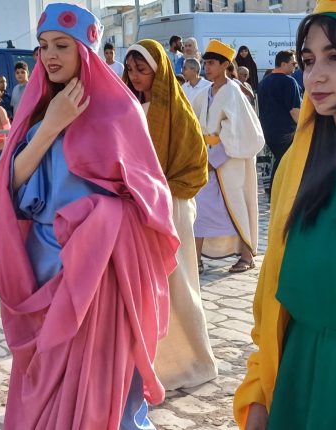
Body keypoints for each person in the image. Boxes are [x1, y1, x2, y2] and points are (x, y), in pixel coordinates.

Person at [0, 4, 179, 428]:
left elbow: (152, 200)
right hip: (45, 266)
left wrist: (100, 219)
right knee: (46, 377)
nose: (50, 55)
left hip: (100, 271)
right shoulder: (39, 112)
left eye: (61, 45)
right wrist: (51, 126)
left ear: (84, 51)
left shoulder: (121, 113)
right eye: (43, 46)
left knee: (100, 381)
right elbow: (8, 188)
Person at [235, 2, 336, 429]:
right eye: (307, 60)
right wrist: (259, 392)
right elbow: (270, 291)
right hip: (298, 377)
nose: (314, 76)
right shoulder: (296, 166)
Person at [123, 38, 216, 391]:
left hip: (172, 207)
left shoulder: (178, 109)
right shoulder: (127, 107)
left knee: (178, 284)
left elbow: (196, 162)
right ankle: (151, 364)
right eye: (130, 70)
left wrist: (164, 189)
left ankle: (193, 360)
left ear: (158, 71)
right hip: (138, 209)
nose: (134, 76)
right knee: (145, 290)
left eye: (141, 70)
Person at [191, 40, 265, 273]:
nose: (207, 67)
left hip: (231, 160)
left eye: (212, 63)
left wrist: (215, 159)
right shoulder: (204, 93)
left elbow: (240, 131)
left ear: (225, 65)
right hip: (207, 159)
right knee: (200, 208)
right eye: (205, 63)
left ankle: (247, 255)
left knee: (237, 205)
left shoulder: (233, 93)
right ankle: (195, 259)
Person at [257, 50, 302, 188]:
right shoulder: (289, 81)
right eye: (293, 63)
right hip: (285, 133)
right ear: (283, 64)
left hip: (267, 131)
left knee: (279, 163)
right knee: (284, 163)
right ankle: (275, 191)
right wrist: (304, 127)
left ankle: (273, 190)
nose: (295, 66)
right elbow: (295, 111)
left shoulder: (263, 82)